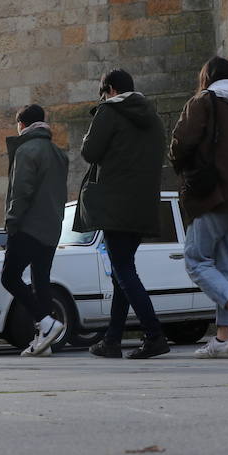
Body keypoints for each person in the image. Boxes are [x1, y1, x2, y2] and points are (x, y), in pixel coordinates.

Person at [169, 57, 228, 359]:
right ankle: (224, 338)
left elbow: (181, 142)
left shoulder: (203, 101)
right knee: (224, 265)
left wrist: (179, 163)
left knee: (195, 259)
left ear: (206, 77)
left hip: (214, 195)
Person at [75, 68, 171, 359]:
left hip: (115, 204)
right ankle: (112, 340)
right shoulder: (153, 118)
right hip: (143, 205)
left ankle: (155, 335)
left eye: (103, 93)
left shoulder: (109, 111)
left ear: (111, 90)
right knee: (122, 272)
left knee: (123, 271)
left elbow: (90, 152)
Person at [2, 104, 70, 357]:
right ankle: (44, 342)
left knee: (9, 277)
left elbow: (21, 192)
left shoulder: (26, 149)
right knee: (41, 279)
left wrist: (12, 220)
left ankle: (46, 321)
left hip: (28, 225)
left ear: (21, 124)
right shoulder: (58, 152)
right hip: (52, 226)